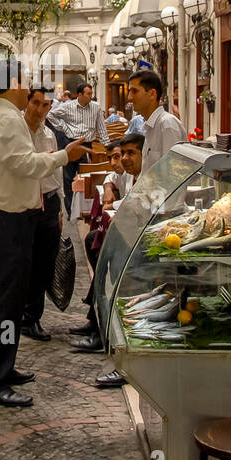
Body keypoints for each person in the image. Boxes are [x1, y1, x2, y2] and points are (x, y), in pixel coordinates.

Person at [0, 59, 89, 407]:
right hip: (2, 222)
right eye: (23, 81)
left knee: (9, 302)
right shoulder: (6, 119)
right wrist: (62, 156)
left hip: (4, 220)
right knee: (1, 302)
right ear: (10, 85)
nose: (28, 86)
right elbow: (24, 164)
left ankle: (3, 368)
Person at [73, 135, 145, 391]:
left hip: (142, 246)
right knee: (100, 255)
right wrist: (109, 190)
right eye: (119, 154)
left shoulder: (147, 176)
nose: (123, 159)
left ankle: (125, 357)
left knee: (111, 272)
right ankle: (99, 323)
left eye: (129, 153)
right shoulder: (130, 174)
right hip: (131, 239)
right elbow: (111, 178)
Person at [21, 86, 63, 342]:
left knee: (44, 263)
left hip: (49, 203)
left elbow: (56, 172)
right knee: (23, 261)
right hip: (25, 205)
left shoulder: (49, 134)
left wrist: (61, 207)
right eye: (35, 103)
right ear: (27, 103)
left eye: (45, 104)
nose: (39, 109)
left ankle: (32, 317)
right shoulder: (18, 133)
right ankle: (21, 314)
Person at [48, 82, 108, 217]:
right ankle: (70, 211)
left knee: (87, 179)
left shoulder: (96, 108)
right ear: (80, 95)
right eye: (88, 94)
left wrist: (107, 147)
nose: (91, 96)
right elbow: (50, 115)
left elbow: (101, 128)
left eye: (91, 93)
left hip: (87, 146)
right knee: (68, 178)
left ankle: (84, 211)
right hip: (71, 143)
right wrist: (63, 128)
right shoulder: (68, 106)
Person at [128, 71, 184, 171]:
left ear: (152, 94)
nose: (129, 97)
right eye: (129, 92)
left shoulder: (167, 125)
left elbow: (171, 173)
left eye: (134, 91)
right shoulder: (151, 126)